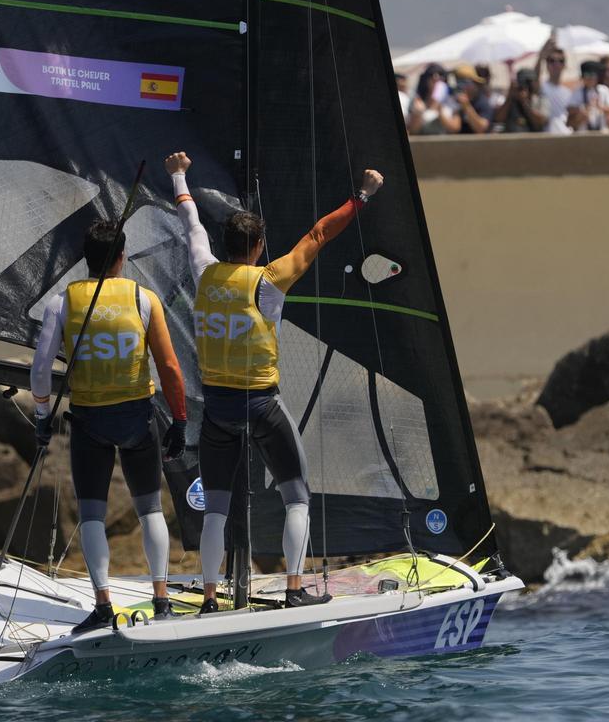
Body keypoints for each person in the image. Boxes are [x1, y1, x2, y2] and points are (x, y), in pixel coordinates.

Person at [166, 151, 383, 612]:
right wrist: (362, 195)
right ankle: (293, 589)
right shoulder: (270, 280)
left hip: (217, 409)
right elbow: (319, 234)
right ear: (260, 246)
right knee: (296, 495)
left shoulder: (205, 272)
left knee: (217, 508)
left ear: (227, 245)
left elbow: (191, 224)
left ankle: (208, 598)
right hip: (261, 404)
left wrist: (180, 177)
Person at [30, 219, 188, 633]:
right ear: (122, 258)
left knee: (93, 515)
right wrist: (180, 419)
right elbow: (169, 367)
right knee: (150, 508)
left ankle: (103, 607)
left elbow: (41, 370)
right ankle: (162, 599)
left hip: (90, 422)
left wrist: (42, 417)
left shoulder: (61, 304)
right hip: (137, 418)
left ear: (86, 260)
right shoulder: (143, 298)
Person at [406, 64, 459, 135]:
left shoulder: (452, 101)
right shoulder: (417, 100)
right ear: (425, 79)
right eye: (431, 74)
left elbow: (455, 128)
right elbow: (413, 131)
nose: (436, 77)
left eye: (441, 74)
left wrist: (440, 111)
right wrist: (418, 114)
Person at [566, 61, 609, 133]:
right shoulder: (577, 91)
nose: (590, 79)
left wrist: (599, 107)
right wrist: (583, 109)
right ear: (583, 77)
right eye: (587, 75)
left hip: (602, 132)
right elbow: (570, 108)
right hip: (583, 133)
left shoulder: (603, 90)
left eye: (593, 76)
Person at [492, 68, 549, 133]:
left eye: (530, 82)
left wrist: (524, 103)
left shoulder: (540, 100)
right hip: (512, 140)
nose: (528, 85)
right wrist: (510, 97)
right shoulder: (510, 99)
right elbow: (498, 119)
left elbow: (540, 122)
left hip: (533, 141)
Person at [536, 37, 571, 134]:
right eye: (552, 60)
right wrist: (540, 57)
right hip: (548, 139)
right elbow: (534, 78)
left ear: (564, 65)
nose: (556, 64)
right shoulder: (542, 87)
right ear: (546, 64)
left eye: (560, 61)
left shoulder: (569, 92)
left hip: (566, 138)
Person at [451, 64, 493, 134]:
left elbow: (481, 128)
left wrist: (467, 106)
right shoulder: (455, 100)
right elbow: (454, 128)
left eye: (464, 82)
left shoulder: (482, 102)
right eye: (458, 82)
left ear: (474, 83)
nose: (461, 87)